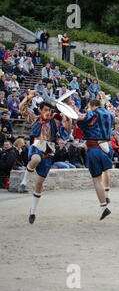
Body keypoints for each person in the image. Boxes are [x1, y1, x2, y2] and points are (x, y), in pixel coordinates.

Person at [17, 91, 72, 224]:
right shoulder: (35, 119)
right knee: (36, 159)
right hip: (37, 145)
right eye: (46, 110)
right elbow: (22, 109)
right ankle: (23, 182)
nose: (48, 112)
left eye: (50, 110)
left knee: (39, 183)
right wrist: (29, 97)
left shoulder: (56, 121)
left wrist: (67, 118)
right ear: (40, 110)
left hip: (49, 150)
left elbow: (67, 129)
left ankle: (33, 211)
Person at [75, 98, 115, 220]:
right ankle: (107, 194)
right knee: (105, 172)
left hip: (94, 148)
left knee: (96, 180)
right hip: (108, 147)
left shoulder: (93, 113)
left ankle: (104, 207)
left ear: (93, 106)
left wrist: (72, 109)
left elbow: (81, 119)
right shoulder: (110, 114)